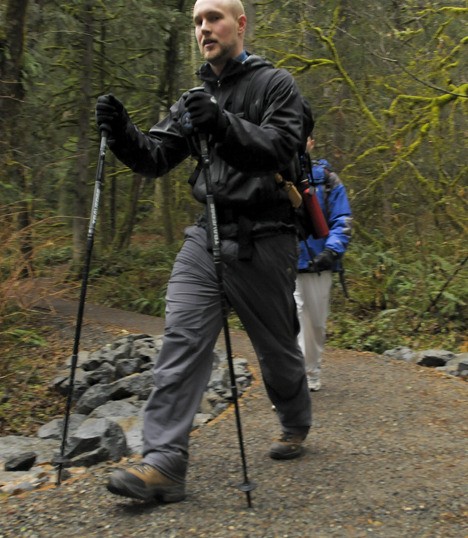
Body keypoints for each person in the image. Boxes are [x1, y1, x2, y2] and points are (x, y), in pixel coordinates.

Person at [95, 0, 313, 503]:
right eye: (196, 21)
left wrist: (219, 123)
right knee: (181, 340)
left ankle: (295, 418)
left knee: (279, 353)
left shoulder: (276, 85)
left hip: (267, 235)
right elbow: (156, 158)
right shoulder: (194, 97)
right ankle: (164, 464)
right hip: (207, 234)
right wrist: (123, 132)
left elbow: (278, 149)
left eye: (213, 17)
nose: (203, 28)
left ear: (240, 24)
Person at [295, 137, 352, 391]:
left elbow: (343, 218)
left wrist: (332, 250)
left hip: (320, 263)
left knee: (315, 324)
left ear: (312, 142)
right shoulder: (273, 176)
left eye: (304, 136)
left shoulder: (328, 180)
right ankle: (292, 381)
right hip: (285, 263)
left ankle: (312, 371)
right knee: (290, 321)